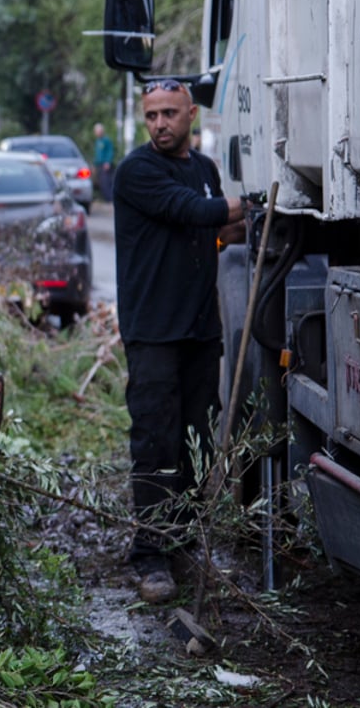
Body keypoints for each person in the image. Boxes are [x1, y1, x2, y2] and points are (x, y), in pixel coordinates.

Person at [112, 79, 248, 603]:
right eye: (152, 116)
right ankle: (150, 556)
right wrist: (248, 203)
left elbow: (211, 232)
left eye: (170, 114)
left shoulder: (206, 170)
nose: (160, 124)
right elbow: (191, 212)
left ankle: (184, 538)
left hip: (198, 330)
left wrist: (240, 226)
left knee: (198, 441)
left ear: (192, 114)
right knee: (156, 443)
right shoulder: (137, 171)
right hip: (153, 332)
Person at [92, 122, 115, 202]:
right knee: (101, 182)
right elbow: (97, 154)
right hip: (99, 164)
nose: (97, 133)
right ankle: (106, 199)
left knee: (107, 182)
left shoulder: (106, 140)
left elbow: (110, 151)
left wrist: (108, 162)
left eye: (98, 131)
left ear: (102, 131)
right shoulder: (97, 141)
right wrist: (94, 165)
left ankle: (110, 199)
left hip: (105, 165)